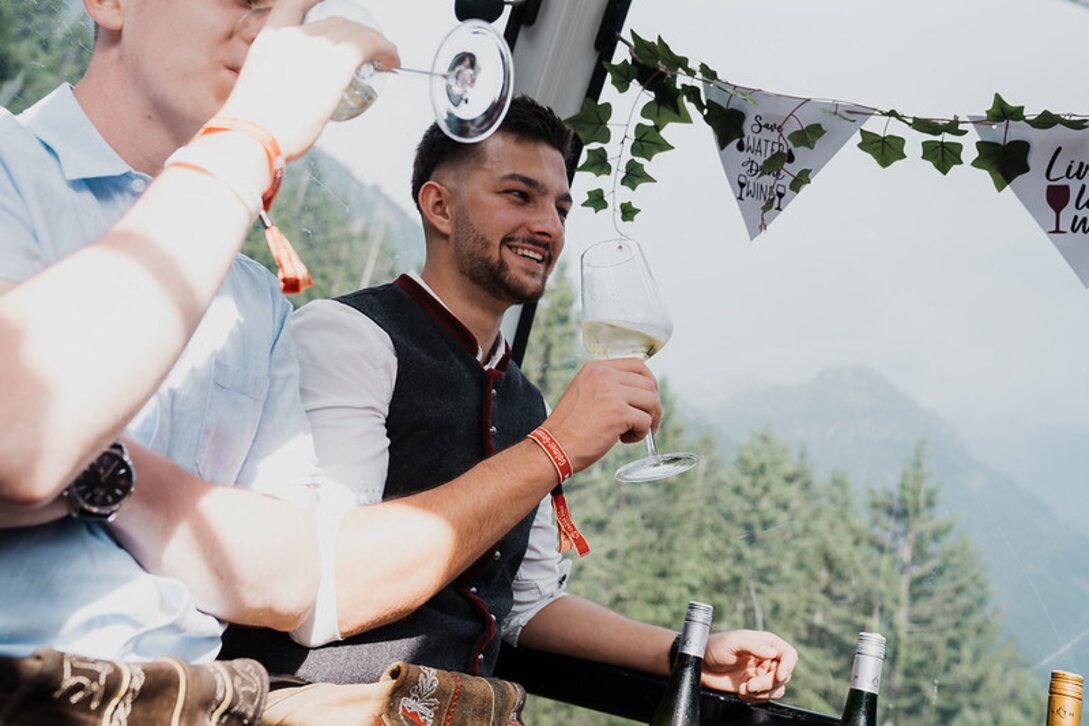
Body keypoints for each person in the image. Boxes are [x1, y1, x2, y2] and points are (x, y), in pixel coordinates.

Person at [0, 0, 661, 677]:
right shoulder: (10, 166)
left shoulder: (255, 303)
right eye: (250, 1)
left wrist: (104, 465)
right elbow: (23, 434)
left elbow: (289, 580)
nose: (275, 36)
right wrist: (252, 134)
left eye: (296, 11)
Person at [225, 95, 797, 702]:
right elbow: (321, 593)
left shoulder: (526, 399)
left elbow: (526, 604)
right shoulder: (349, 337)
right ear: (439, 207)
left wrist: (686, 654)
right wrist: (555, 448)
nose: (549, 225)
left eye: (560, 207)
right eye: (518, 195)